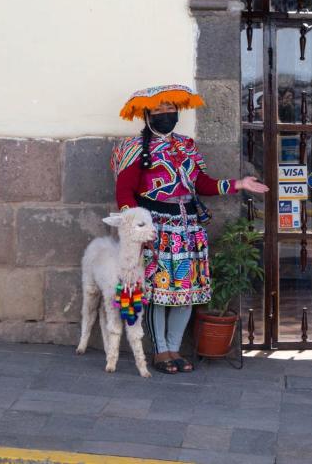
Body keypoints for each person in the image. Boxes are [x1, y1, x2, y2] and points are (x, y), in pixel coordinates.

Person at [112, 84, 268, 375]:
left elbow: (202, 184)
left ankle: (174, 347)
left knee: (187, 291)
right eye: (158, 110)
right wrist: (137, 231)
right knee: (159, 291)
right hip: (156, 227)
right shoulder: (133, 148)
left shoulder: (187, 146)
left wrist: (238, 184)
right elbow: (124, 192)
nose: (165, 114)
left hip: (188, 228)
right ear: (147, 114)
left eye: (170, 108)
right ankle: (160, 351)